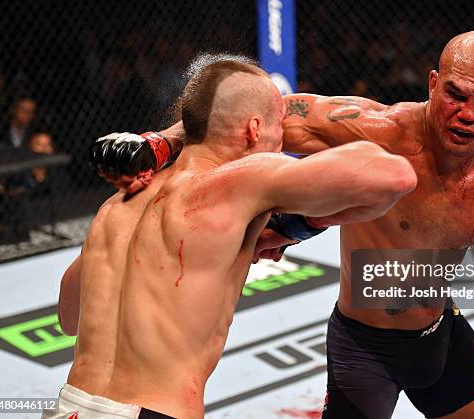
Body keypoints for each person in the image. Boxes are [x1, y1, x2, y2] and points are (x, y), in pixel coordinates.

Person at [90, 31, 474, 419]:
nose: (466, 114)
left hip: (441, 337)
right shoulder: (375, 129)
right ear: (432, 85)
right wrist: (158, 141)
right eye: (454, 94)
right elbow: (250, 112)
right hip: (365, 349)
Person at [47, 54, 416, 419]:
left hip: (71, 406)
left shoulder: (118, 204)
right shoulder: (243, 180)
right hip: (156, 411)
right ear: (255, 129)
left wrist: (166, 140)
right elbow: (394, 175)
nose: (282, 138)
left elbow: (69, 319)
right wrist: (293, 225)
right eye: (279, 127)